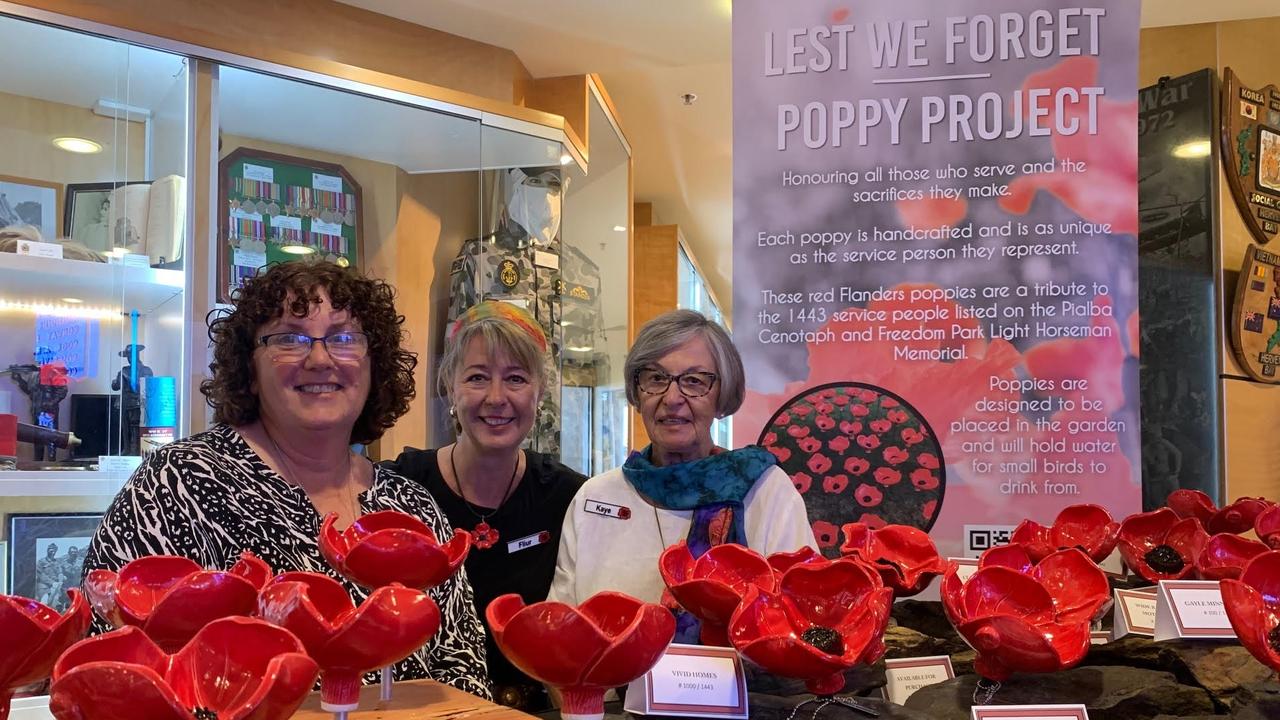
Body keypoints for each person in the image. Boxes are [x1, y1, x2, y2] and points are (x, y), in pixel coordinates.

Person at [81, 259, 489, 698]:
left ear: (375, 365)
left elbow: (463, 668)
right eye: (290, 339)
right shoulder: (179, 482)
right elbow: (113, 665)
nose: (319, 358)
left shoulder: (410, 506)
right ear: (249, 370)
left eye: (344, 338)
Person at [549, 309, 817, 640]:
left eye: (694, 381)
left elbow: (803, 622)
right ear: (637, 393)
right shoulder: (596, 497)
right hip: (612, 692)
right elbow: (561, 632)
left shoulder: (766, 491)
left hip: (745, 690)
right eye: (656, 378)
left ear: (722, 396)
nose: (672, 398)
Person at [386, 300, 584, 711]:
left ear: (539, 393)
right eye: (477, 377)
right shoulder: (400, 487)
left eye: (515, 378)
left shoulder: (569, 497)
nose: (496, 398)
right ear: (450, 387)